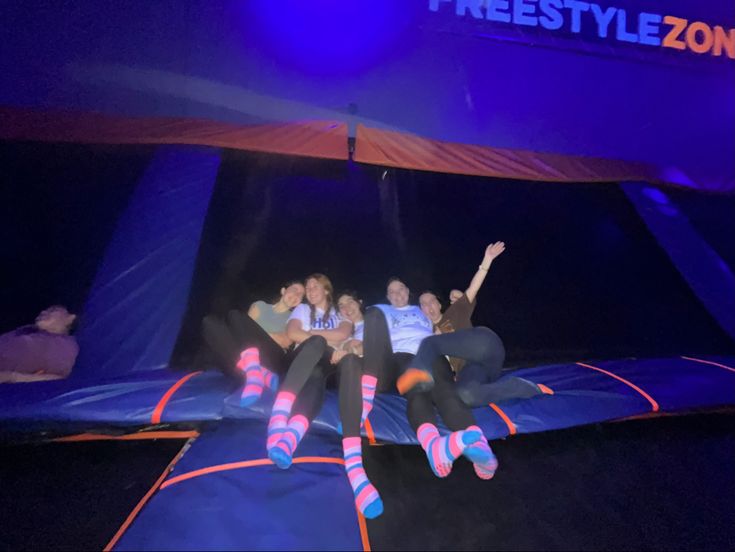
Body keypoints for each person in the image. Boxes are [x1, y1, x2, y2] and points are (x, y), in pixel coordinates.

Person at [361, 278, 498, 479]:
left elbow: (448, 319)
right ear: (388, 297)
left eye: (401, 289)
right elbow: (368, 334)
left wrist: (457, 296)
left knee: (446, 391)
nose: (397, 294)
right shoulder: (382, 312)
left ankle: (478, 445)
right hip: (402, 356)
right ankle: (434, 446)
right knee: (418, 392)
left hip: (432, 353)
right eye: (392, 292)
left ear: (408, 292)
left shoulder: (421, 312)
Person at [399, 242, 546, 407]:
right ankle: (522, 387)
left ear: (439, 304)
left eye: (431, 301)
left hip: (484, 345)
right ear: (420, 311)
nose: (429, 306)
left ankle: (416, 375)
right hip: (477, 370)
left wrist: (487, 260)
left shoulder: (453, 313)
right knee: (466, 395)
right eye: (424, 304)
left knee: (430, 343)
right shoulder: (425, 334)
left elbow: (473, 289)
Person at [266, 274, 359, 474]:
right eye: (307, 288)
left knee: (318, 373)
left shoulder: (338, 312)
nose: (310, 291)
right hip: (302, 358)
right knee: (316, 345)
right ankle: (279, 417)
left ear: (326, 290)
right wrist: (326, 342)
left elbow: (343, 333)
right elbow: (293, 333)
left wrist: (311, 333)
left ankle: (290, 438)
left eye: (314, 286)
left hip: (328, 363)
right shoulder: (303, 309)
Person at [200, 281, 304, 406]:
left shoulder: (295, 318)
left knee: (235, 316)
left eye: (300, 295)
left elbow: (284, 342)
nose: (297, 295)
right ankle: (259, 373)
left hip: (270, 357)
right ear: (283, 291)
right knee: (209, 322)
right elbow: (243, 335)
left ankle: (255, 376)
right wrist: (261, 334)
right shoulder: (260, 306)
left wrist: (258, 333)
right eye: (294, 290)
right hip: (244, 357)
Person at [0, 305, 78, 383]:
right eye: (45, 310)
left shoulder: (64, 346)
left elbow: (58, 378)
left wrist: (12, 377)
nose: (43, 312)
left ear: (70, 318)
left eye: (52, 310)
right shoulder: (26, 330)